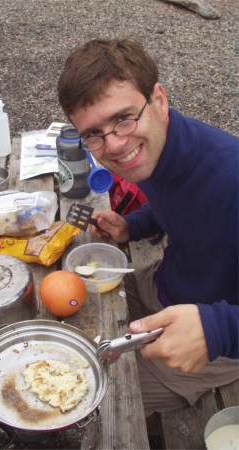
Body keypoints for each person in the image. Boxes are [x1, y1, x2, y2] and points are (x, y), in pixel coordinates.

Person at [57, 38, 238, 417]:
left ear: (159, 99)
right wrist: (133, 226)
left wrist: (220, 329)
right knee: (61, 342)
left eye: (124, 117)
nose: (116, 145)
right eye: (93, 133)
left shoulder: (230, 177)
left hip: (211, 338)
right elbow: (177, 202)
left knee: (84, 406)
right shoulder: (156, 151)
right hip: (161, 284)